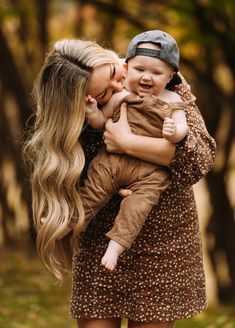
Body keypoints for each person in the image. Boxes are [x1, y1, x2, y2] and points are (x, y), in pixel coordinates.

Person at [24, 35, 216, 328]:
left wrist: (127, 142)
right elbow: (81, 174)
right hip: (101, 243)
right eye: (102, 95)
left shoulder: (160, 74)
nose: (119, 87)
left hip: (162, 241)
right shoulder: (76, 116)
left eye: (114, 74)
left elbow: (198, 161)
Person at [82, 30, 188, 272]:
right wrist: (92, 112)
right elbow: (102, 124)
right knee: (93, 191)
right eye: (140, 69)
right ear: (127, 68)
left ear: (170, 75)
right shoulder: (121, 95)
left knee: (137, 208)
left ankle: (116, 247)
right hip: (113, 160)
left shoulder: (172, 100)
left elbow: (182, 129)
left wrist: (174, 132)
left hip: (150, 172)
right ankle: (70, 222)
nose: (147, 77)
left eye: (157, 72)